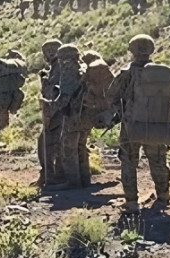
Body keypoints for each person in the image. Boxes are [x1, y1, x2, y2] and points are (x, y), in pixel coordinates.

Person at [108, 35, 170, 211]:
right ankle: (163, 194)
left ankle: (131, 201)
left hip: (131, 126)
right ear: (152, 50)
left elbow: (112, 96)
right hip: (156, 124)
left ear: (131, 50)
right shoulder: (163, 74)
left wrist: (121, 113)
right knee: (158, 160)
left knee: (129, 162)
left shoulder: (125, 73)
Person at [37, 41, 86, 188]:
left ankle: (65, 179)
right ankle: (78, 178)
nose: (51, 53)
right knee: (73, 145)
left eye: (54, 50)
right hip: (74, 112)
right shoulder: (66, 67)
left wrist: (50, 107)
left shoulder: (66, 69)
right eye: (47, 50)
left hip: (66, 112)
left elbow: (64, 95)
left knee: (62, 146)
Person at [77, 51, 114, 187]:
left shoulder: (90, 74)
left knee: (79, 144)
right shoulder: (105, 73)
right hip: (102, 112)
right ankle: (84, 176)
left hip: (89, 113)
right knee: (81, 144)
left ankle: (83, 177)